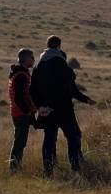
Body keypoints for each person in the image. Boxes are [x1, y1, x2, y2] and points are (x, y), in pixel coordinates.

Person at [29, 34, 91, 176]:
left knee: (49, 139)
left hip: (46, 109)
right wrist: (84, 99)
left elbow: (32, 89)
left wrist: (40, 106)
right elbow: (69, 87)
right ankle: (76, 168)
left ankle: (48, 170)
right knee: (73, 136)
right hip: (64, 109)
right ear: (59, 46)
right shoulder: (61, 63)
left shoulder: (38, 65)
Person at [6, 48, 37, 173]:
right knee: (19, 143)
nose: (33, 60)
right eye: (31, 57)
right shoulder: (21, 76)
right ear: (24, 59)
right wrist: (26, 111)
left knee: (20, 142)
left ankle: (15, 168)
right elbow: (19, 97)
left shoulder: (19, 73)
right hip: (20, 114)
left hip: (18, 112)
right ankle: (14, 169)